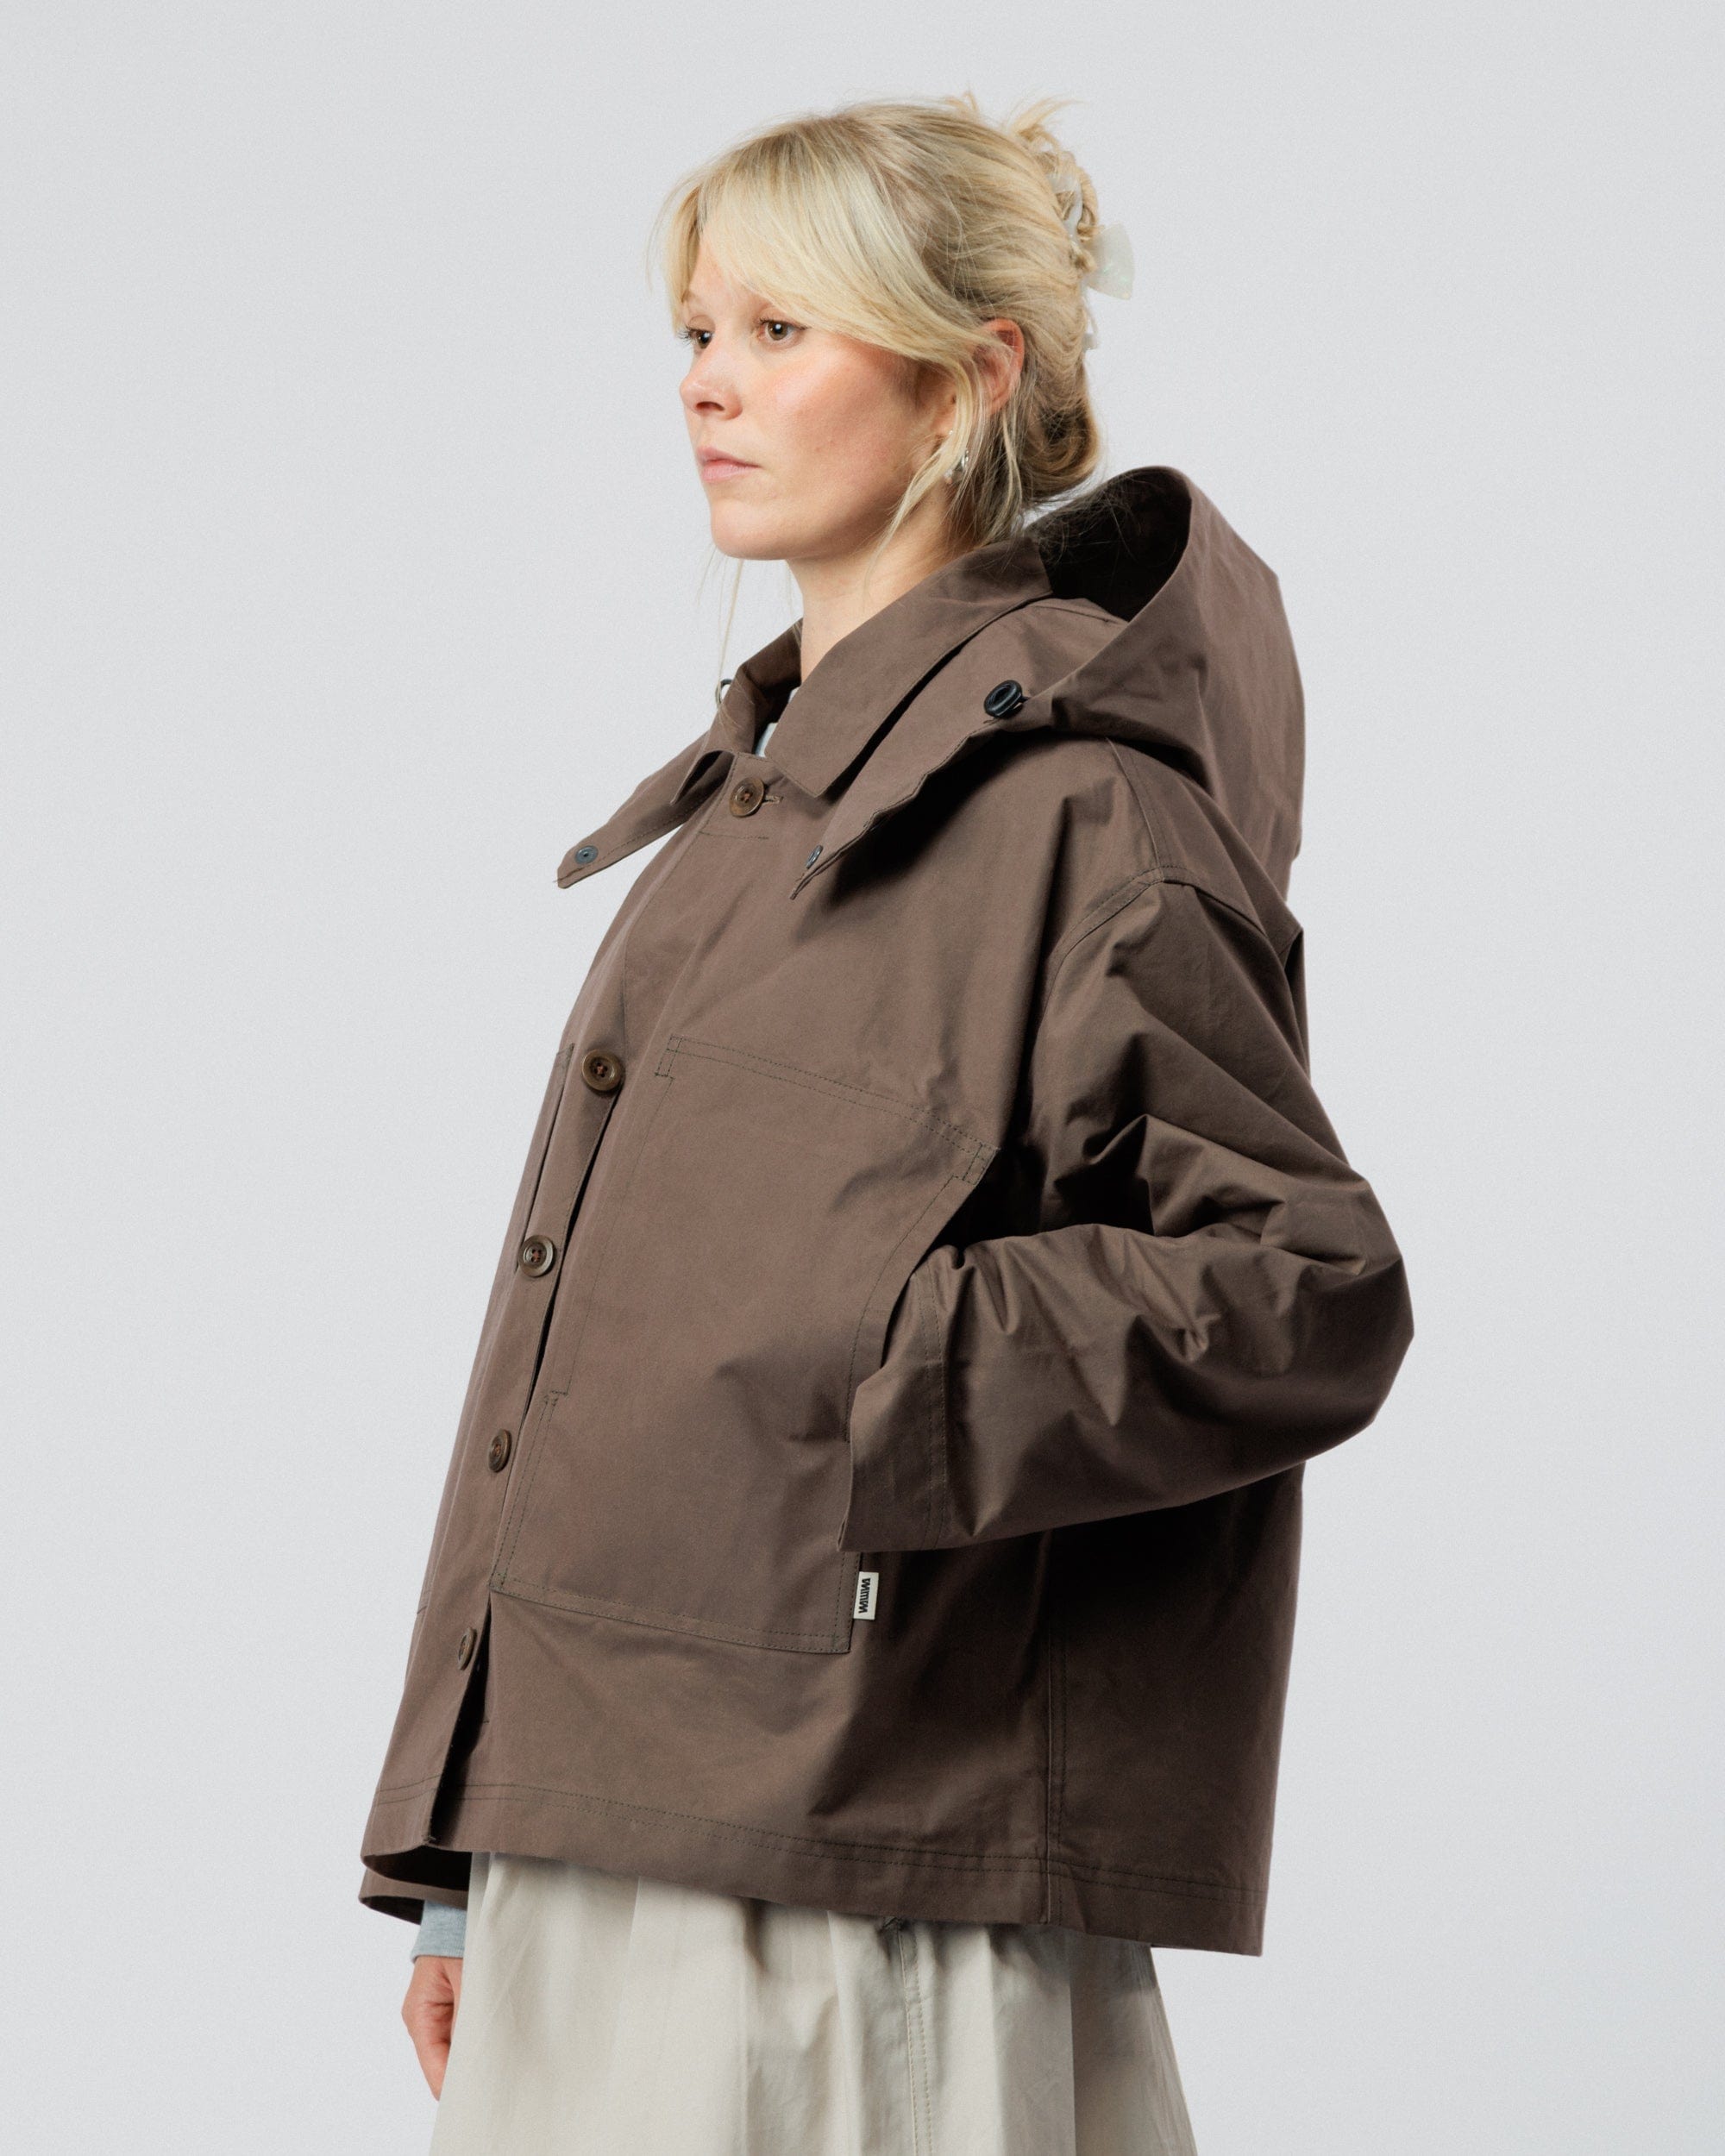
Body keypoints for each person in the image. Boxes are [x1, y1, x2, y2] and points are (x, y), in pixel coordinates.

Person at [360, 91, 1415, 2154]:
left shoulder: (1083, 812)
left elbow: (1307, 1282)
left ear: (964, 377)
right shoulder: (742, 819)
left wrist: (891, 1364)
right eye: (695, 331)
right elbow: (561, 1354)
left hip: (859, 1873)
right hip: (613, 1840)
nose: (707, 385)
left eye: (780, 330)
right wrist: (466, 1846)